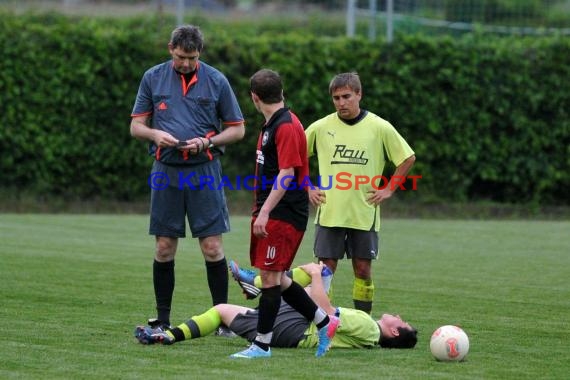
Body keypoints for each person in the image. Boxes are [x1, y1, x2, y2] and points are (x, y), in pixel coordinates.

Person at [129, 25, 245, 335]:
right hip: (165, 172)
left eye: (192, 58)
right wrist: (155, 134)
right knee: (165, 247)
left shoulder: (217, 80)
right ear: (170, 49)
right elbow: (136, 127)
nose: (186, 64)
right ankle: (163, 319)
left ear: (200, 54)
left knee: (211, 246)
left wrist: (207, 142)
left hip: (204, 171)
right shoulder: (152, 77)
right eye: (181, 57)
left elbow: (237, 129)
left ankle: (223, 320)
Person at [223, 68, 337, 359]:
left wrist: (265, 213)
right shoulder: (273, 123)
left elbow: (286, 174)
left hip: (283, 214)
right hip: (275, 212)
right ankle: (325, 322)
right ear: (281, 93)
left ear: (254, 97)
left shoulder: (285, 126)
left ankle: (261, 345)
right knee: (277, 277)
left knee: (272, 280)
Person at [304, 72, 416, 314]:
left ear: (359, 94)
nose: (341, 102)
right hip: (330, 212)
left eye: (346, 96)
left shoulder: (379, 127)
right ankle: (324, 323)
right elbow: (294, 157)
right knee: (325, 271)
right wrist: (308, 186)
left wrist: (388, 189)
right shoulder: (320, 127)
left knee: (363, 270)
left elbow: (407, 158)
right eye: (336, 98)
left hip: (364, 213)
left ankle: (364, 323)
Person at [134, 261, 418, 350]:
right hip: (291, 326)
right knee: (220, 309)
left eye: (401, 321)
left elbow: (327, 316)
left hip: (297, 328)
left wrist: (318, 277)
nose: (398, 316)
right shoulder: (367, 335)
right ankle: (168, 335)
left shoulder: (369, 327)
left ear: (394, 332)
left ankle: (256, 282)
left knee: (320, 272)